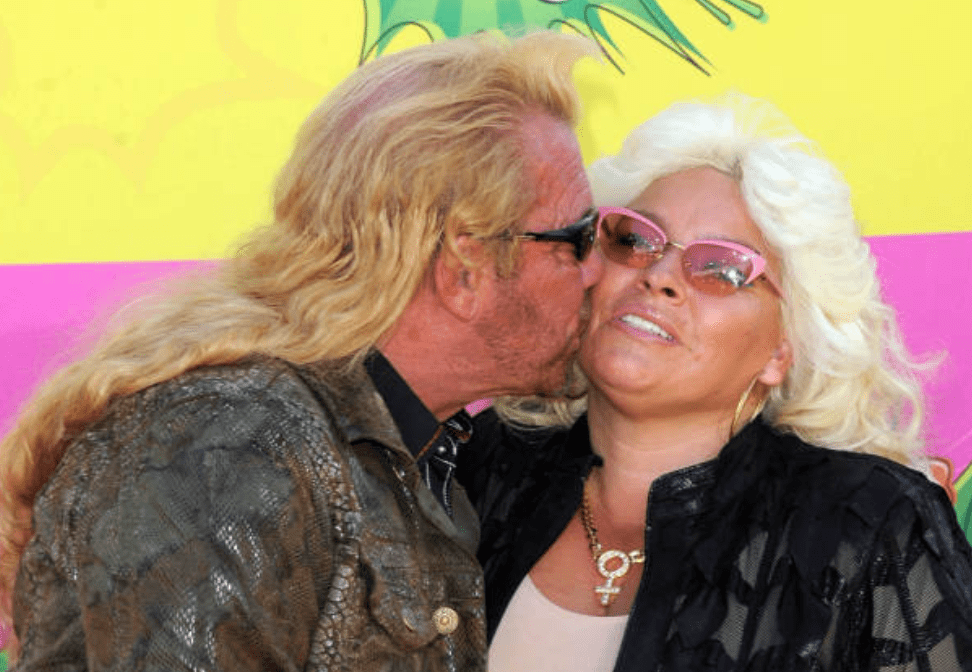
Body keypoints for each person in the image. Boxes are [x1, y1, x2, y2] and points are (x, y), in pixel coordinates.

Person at [0, 31, 603, 670]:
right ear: (465, 267)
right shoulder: (231, 449)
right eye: (579, 238)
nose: (598, 274)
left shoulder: (405, 445)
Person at [460, 96, 972, 671]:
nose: (660, 277)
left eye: (723, 269)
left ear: (782, 349)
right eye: (634, 238)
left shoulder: (871, 525)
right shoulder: (475, 470)